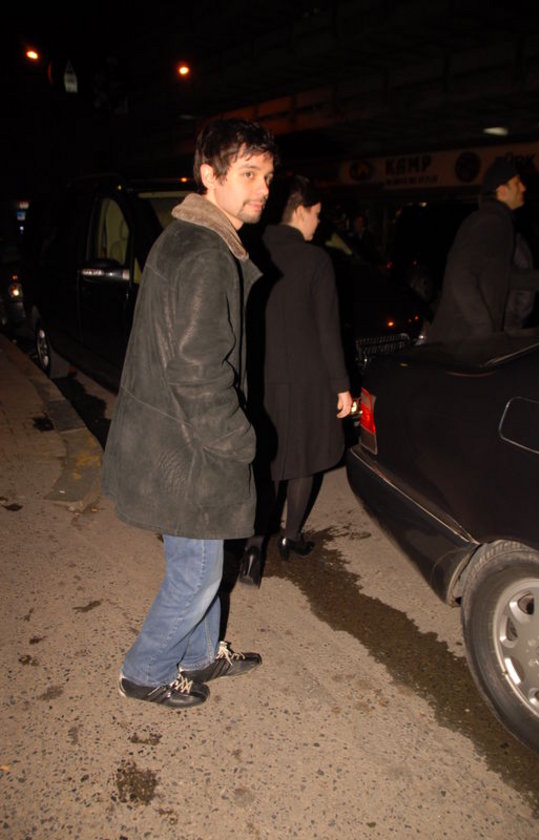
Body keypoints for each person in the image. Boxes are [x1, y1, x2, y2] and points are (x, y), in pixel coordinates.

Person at [101, 119, 278, 708]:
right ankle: (145, 670)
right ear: (210, 174)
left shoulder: (185, 236)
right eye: (248, 174)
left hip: (170, 435)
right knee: (197, 572)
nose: (263, 188)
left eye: (267, 176)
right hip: (188, 446)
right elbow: (198, 371)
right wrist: (240, 441)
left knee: (204, 560)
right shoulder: (205, 253)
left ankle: (200, 655)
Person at [239, 176, 352, 583]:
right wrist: (342, 386)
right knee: (304, 458)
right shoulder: (314, 260)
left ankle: (253, 548)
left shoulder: (251, 250)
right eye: (317, 214)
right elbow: (327, 330)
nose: (319, 223)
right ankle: (291, 537)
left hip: (262, 376)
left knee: (268, 462)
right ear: (300, 211)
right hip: (308, 380)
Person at [427, 159, 539, 343]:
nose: (523, 188)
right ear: (502, 190)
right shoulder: (490, 221)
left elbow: (507, 276)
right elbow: (459, 273)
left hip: (465, 341)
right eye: (517, 183)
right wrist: (483, 327)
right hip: (459, 343)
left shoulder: (499, 221)